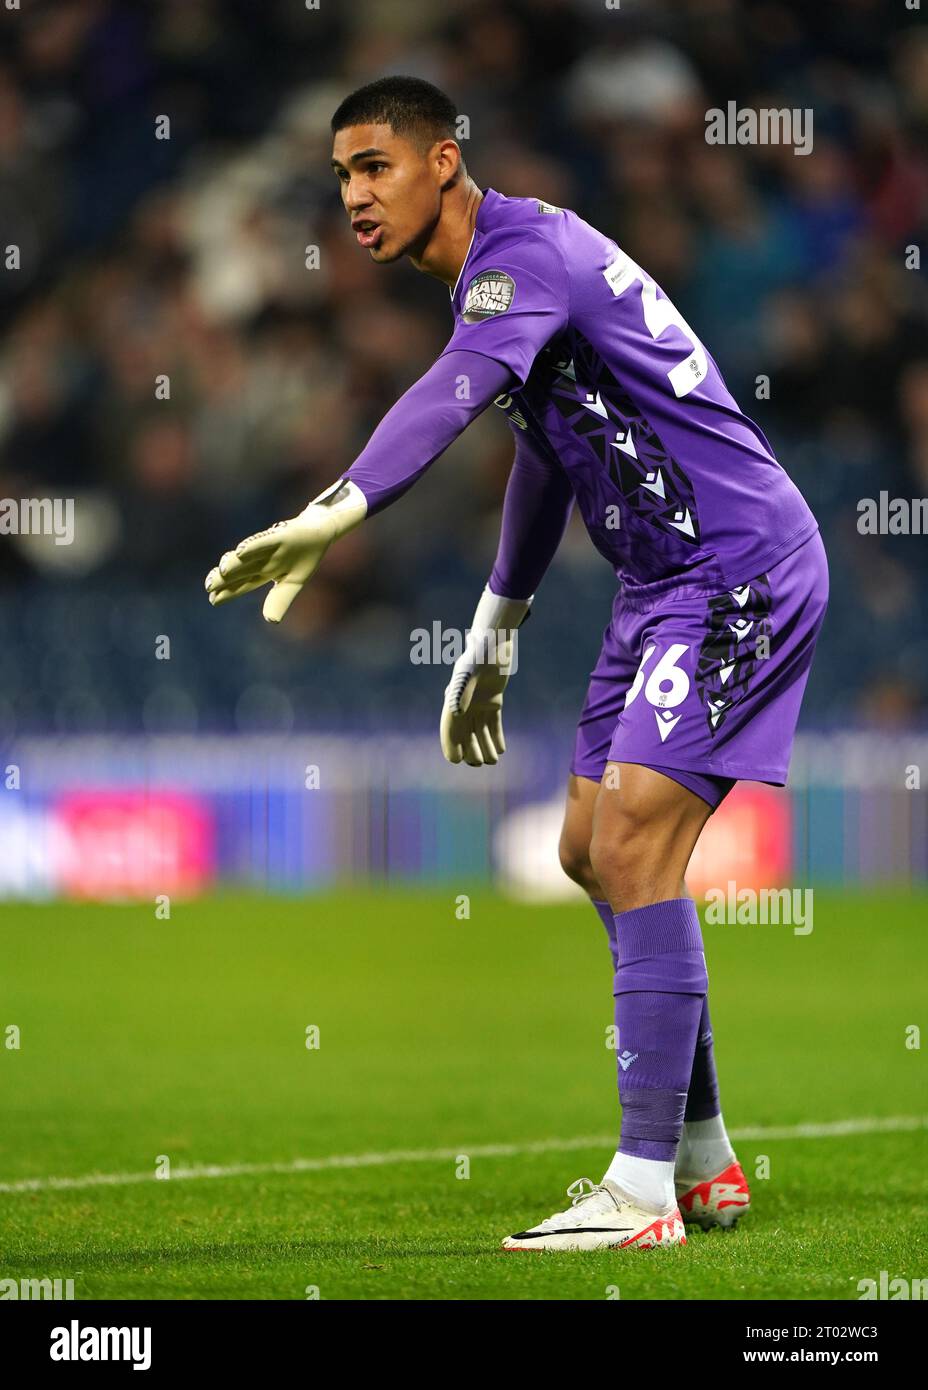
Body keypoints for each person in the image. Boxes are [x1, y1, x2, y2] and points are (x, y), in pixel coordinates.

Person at [205, 75, 829, 1252]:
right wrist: (494, 631)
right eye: (341, 175)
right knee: (589, 848)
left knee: (640, 834)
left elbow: (449, 398)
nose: (353, 196)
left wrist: (339, 506)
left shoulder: (517, 261)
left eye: (375, 166)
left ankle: (641, 1194)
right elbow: (541, 451)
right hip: (659, 587)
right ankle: (701, 1159)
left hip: (735, 564)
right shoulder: (501, 295)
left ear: (444, 159)